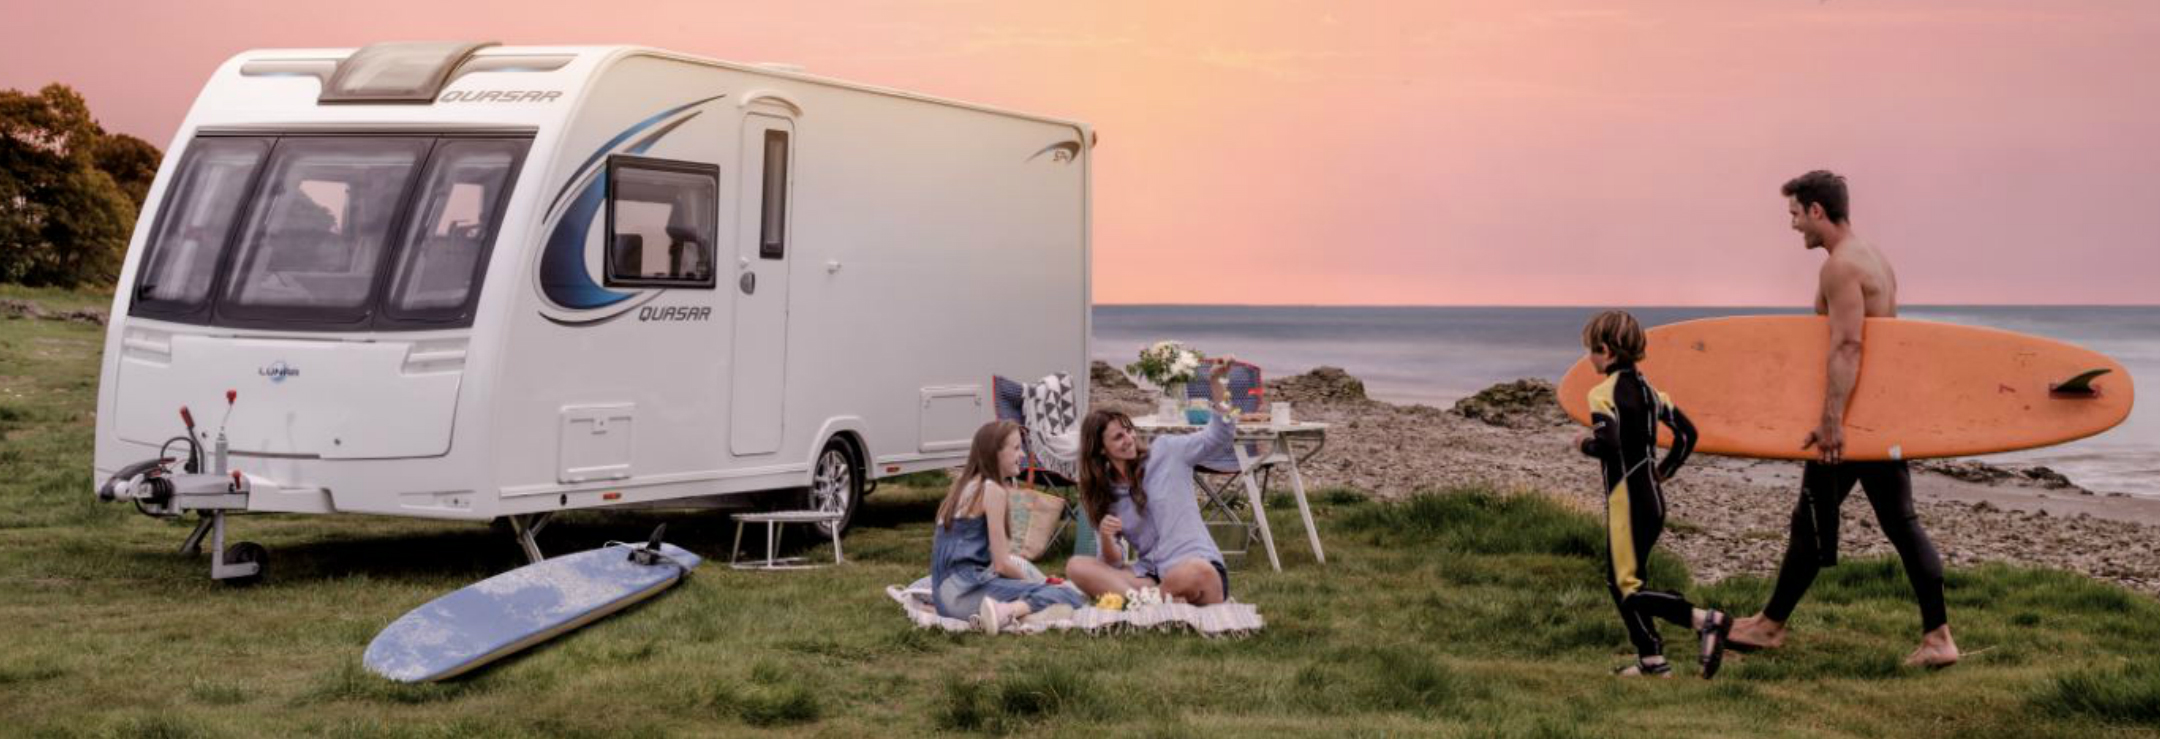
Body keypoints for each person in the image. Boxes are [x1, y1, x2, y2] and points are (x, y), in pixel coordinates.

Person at [1725, 170, 1958, 668]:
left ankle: (1770, 627)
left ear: (1816, 210)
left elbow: (1849, 345)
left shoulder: (1841, 267)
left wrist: (1832, 420)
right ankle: (1936, 637)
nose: (1792, 227)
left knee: (1812, 519)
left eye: (1794, 215)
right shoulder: (1876, 259)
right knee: (1894, 522)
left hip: (1853, 419)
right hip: (1879, 413)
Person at [1576, 310, 1728, 678]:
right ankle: (1652, 660)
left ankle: (1703, 620)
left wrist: (1583, 444)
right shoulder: (1651, 393)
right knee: (1628, 579)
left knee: (1624, 584)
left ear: (1607, 351)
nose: (1589, 358)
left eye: (1592, 351)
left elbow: (1609, 445)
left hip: (1626, 501)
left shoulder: (1602, 394)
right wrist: (1665, 470)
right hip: (1653, 498)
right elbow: (1688, 436)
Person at [1065, 357, 1239, 605]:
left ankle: (1146, 602)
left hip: (1196, 567)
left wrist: (1217, 383)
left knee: (1194, 573)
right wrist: (1105, 536)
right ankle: (1153, 600)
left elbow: (1220, 436)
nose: (1128, 438)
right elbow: (1113, 562)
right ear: (1101, 450)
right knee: (1077, 566)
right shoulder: (1106, 494)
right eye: (1118, 437)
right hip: (1152, 575)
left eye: (1128, 430)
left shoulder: (1168, 451)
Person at [930, 420, 1088, 634]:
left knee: (1021, 566)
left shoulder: (963, 486)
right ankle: (1006, 611)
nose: (1022, 455)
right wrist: (1037, 587)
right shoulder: (992, 489)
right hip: (963, 595)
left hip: (944, 597)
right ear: (995, 453)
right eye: (1015, 448)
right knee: (1068, 595)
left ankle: (1020, 606)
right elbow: (1001, 565)